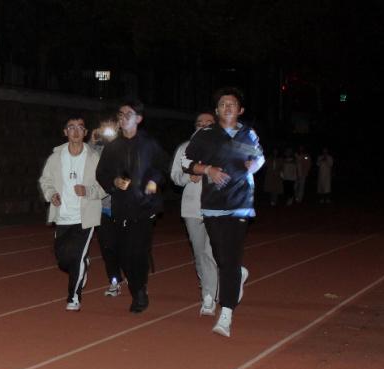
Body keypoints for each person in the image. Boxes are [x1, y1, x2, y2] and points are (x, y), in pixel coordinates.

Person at [184, 87, 264, 337]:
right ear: (216, 110)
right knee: (221, 257)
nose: (227, 107)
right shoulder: (205, 134)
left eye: (232, 104)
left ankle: (226, 313)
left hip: (240, 203)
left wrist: (254, 164)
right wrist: (208, 170)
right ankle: (237, 273)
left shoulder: (249, 133)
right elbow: (186, 163)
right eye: (222, 104)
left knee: (230, 258)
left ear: (240, 110)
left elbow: (260, 158)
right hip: (213, 205)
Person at [95, 100, 170, 313]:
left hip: (144, 207)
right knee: (122, 253)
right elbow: (101, 173)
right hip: (120, 207)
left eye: (128, 114)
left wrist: (154, 181)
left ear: (138, 119)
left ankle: (139, 292)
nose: (123, 118)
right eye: (120, 114)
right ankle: (136, 284)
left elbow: (163, 166)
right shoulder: (112, 147)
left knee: (136, 251)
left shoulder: (149, 144)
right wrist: (113, 182)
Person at [39, 118, 105, 311]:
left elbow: (104, 184)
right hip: (62, 217)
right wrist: (52, 194)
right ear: (65, 132)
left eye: (80, 128)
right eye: (71, 127)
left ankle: (74, 298)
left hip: (85, 217)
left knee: (76, 257)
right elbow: (45, 181)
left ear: (85, 133)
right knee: (63, 260)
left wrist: (88, 191)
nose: (75, 131)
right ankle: (83, 264)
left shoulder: (94, 157)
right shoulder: (56, 157)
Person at [170, 112, 219, 315]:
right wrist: (188, 177)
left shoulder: (223, 148)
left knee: (211, 252)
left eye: (209, 123)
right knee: (200, 253)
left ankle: (209, 296)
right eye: (200, 123)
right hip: (192, 209)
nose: (204, 126)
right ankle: (208, 283)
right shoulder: (184, 148)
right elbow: (175, 176)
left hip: (217, 209)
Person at [90, 119, 124, 296]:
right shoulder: (96, 149)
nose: (108, 131)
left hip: (124, 207)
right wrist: (92, 141)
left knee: (126, 247)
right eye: (105, 127)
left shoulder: (127, 147)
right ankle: (114, 281)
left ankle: (135, 279)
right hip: (103, 207)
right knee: (107, 247)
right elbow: (86, 164)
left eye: (112, 127)